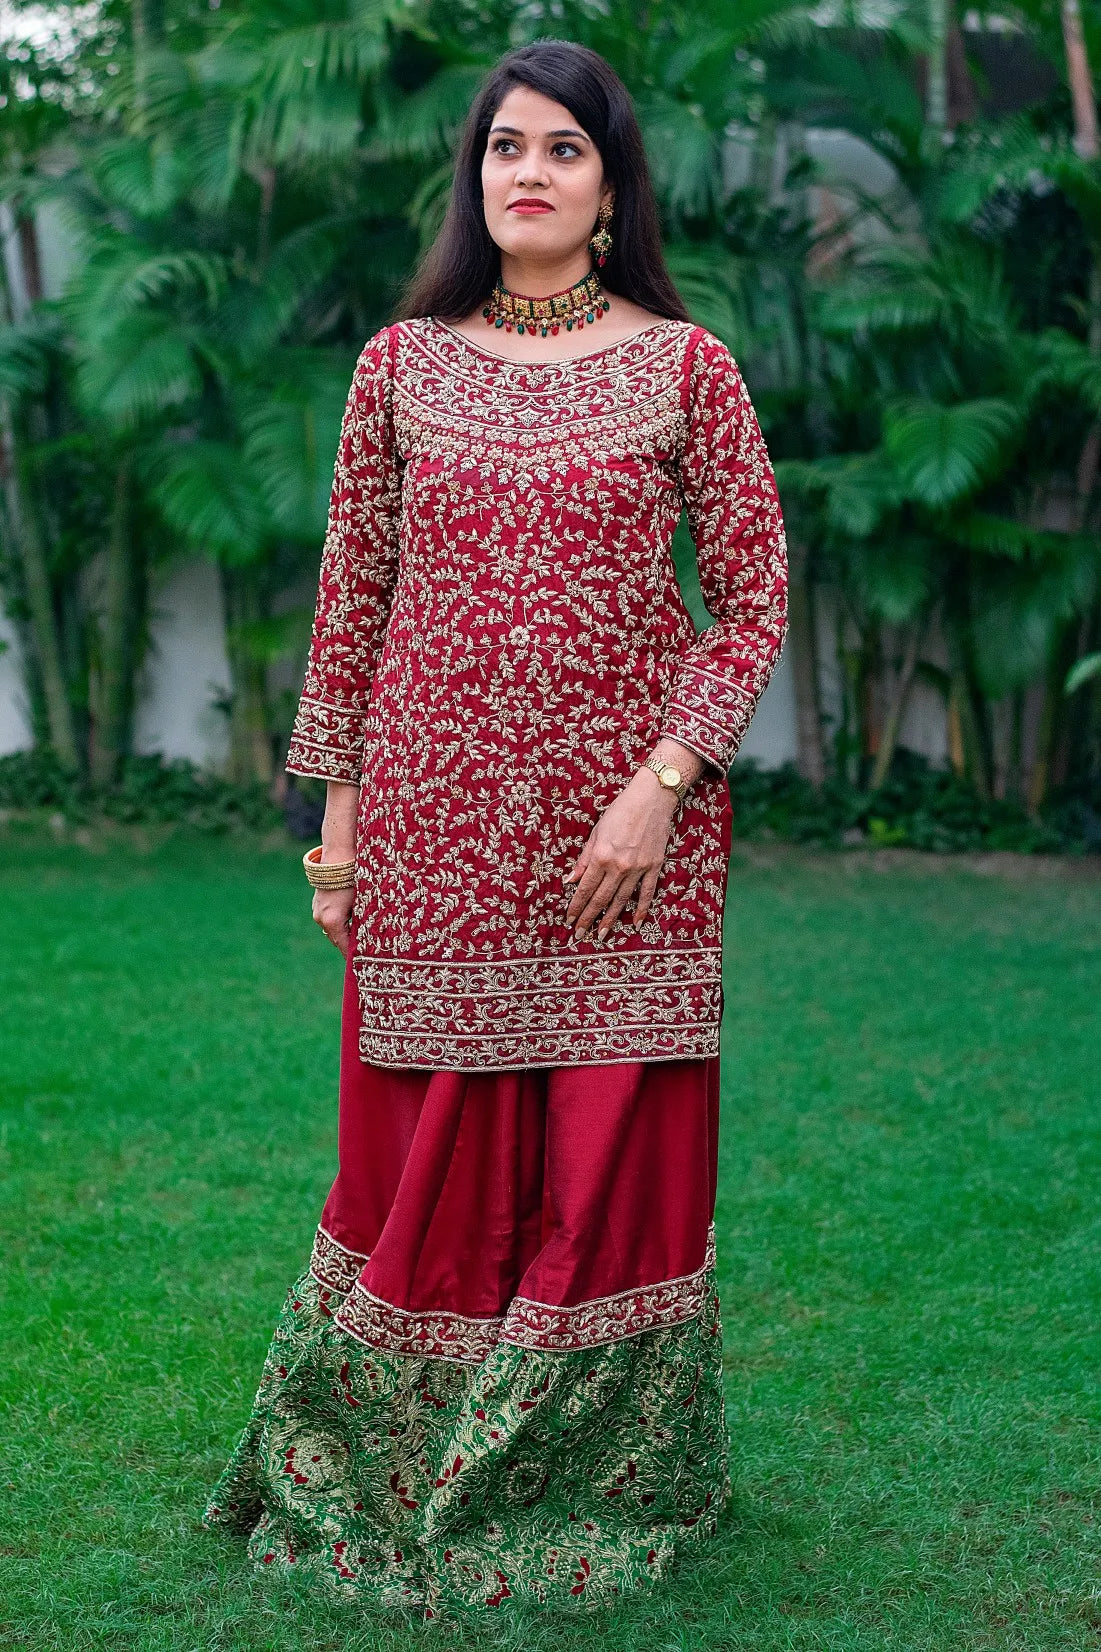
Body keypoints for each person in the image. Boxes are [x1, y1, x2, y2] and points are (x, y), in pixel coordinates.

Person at [202, 37, 788, 1621]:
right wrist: (337, 830)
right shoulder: (400, 364)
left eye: (562, 151)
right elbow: (352, 607)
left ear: (610, 189)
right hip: (435, 837)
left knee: (609, 1159)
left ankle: (601, 1470)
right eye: (502, 147)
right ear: (475, 178)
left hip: (625, 852)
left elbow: (748, 604)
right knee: (424, 1162)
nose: (524, 172)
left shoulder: (686, 369)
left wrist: (660, 784)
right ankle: (387, 1459)